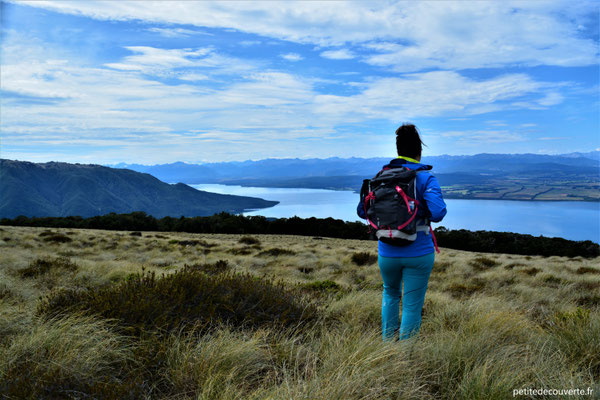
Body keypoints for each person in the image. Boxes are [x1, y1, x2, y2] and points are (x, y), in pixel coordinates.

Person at [357, 123, 447, 341]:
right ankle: (405, 357)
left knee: (390, 295)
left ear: (397, 150)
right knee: (412, 306)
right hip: (418, 251)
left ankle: (387, 347)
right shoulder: (425, 177)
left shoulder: (382, 175)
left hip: (386, 250)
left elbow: (362, 211)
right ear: (420, 151)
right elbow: (438, 213)